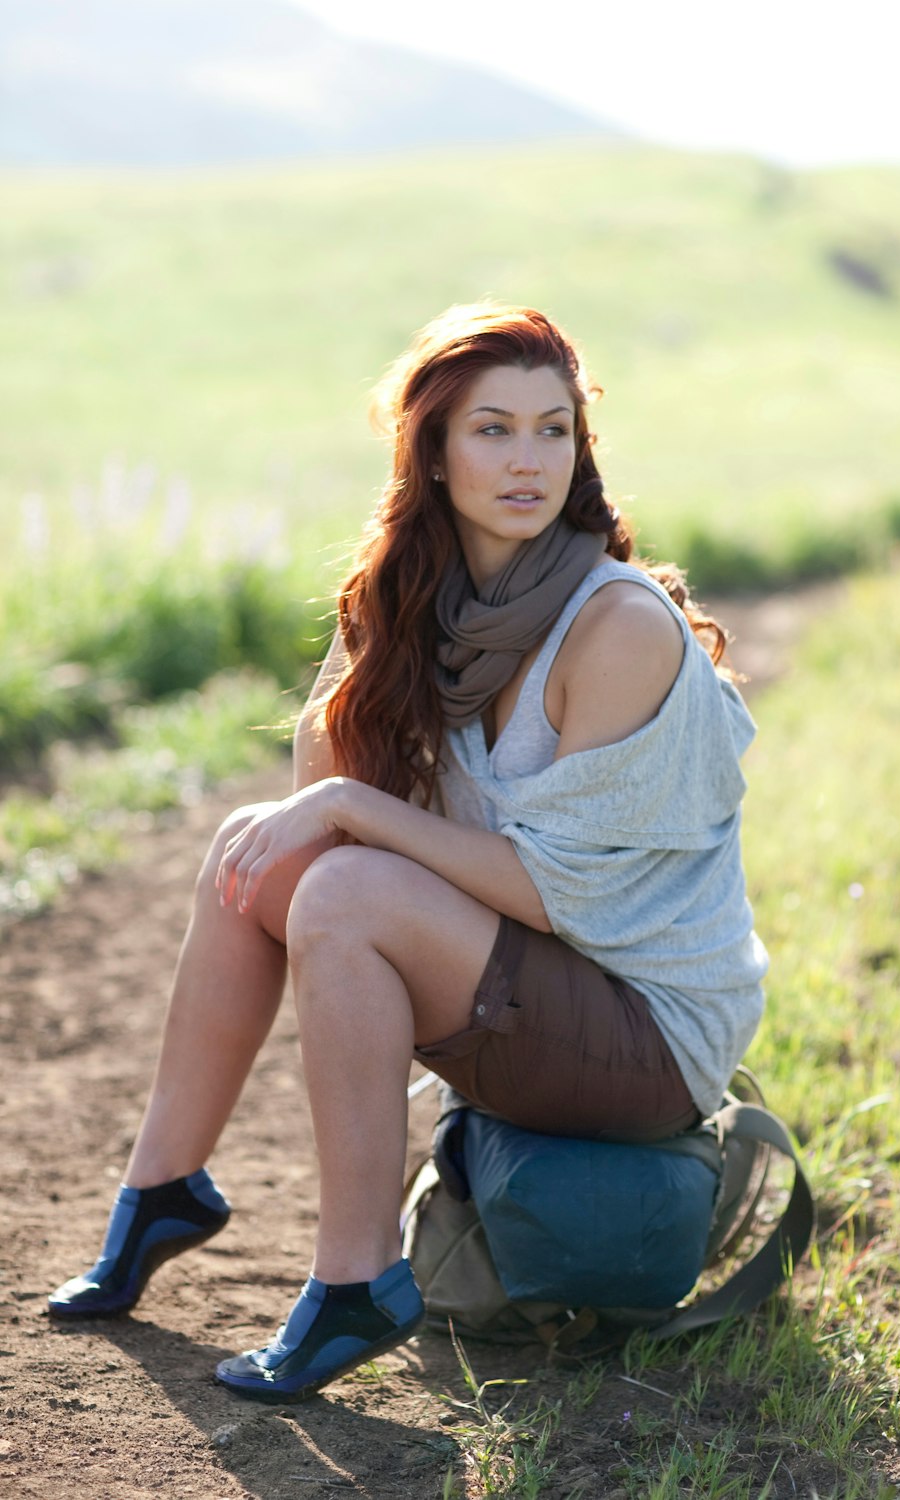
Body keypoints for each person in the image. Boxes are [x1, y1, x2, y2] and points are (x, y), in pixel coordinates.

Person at [48, 303, 768, 1402]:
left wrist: (350, 808)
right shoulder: (423, 601)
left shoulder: (611, 626)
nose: (528, 460)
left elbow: (549, 888)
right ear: (430, 452)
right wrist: (374, 648)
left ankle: (354, 1280)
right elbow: (311, 802)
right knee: (255, 857)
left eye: (551, 430)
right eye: (492, 430)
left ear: (580, 448)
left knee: (342, 887)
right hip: (533, 985)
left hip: (644, 1027)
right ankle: (163, 1188)